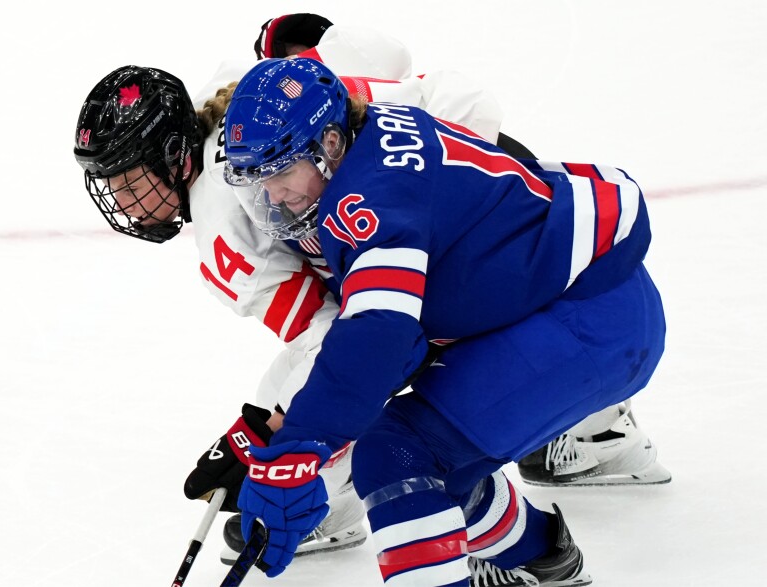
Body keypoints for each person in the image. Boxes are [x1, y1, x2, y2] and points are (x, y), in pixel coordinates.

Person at [72, 26, 508, 565]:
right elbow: (389, 55)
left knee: (392, 367)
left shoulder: (225, 227)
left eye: (131, 183)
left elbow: (330, 335)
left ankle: (335, 496)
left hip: (460, 217)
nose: (122, 201)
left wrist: (269, 435)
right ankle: (596, 428)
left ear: (172, 156)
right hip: (481, 161)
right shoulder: (237, 89)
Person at [221, 57, 666, 585]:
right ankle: (542, 556)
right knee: (426, 450)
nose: (274, 195)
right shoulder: (370, 143)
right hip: (579, 304)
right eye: (259, 179)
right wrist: (292, 435)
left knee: (398, 455)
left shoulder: (366, 201)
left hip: (588, 321)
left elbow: (378, 335)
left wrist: (297, 449)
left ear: (332, 143)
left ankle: (535, 554)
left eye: (282, 170)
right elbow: (402, 338)